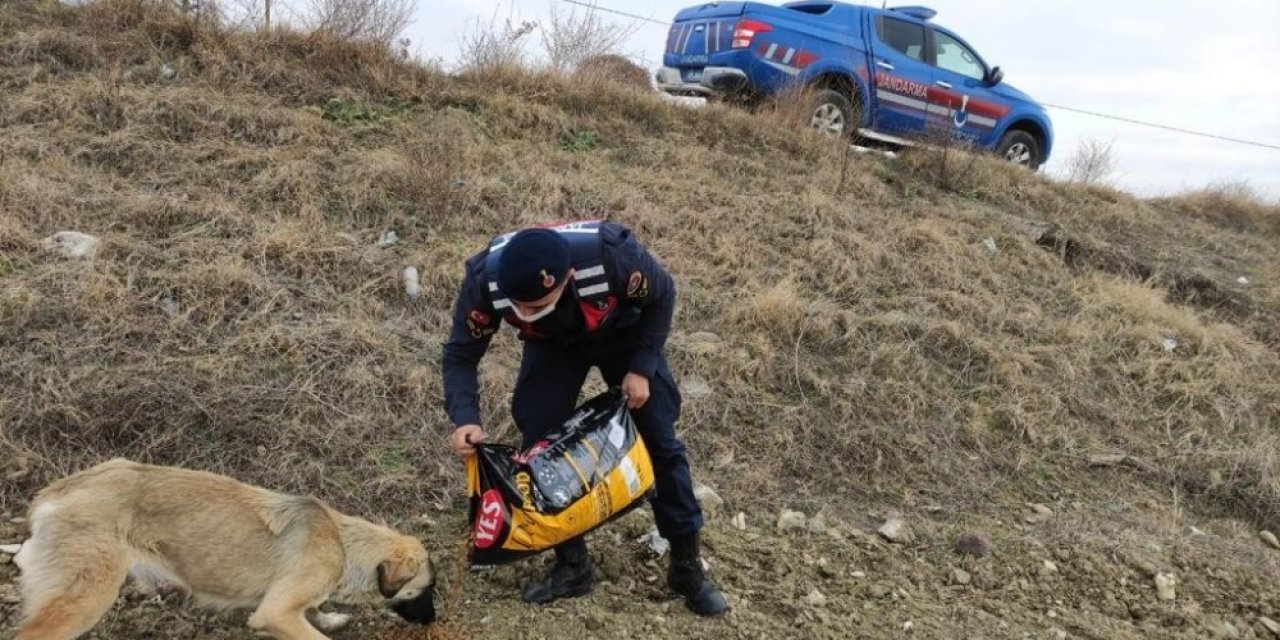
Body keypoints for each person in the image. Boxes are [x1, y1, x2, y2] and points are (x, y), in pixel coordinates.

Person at [441, 219, 728, 617]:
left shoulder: (612, 257)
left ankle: (686, 565)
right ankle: (573, 564)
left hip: (622, 331)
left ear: (568, 278)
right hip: (552, 345)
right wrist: (465, 417)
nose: (524, 313)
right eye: (517, 306)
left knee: (659, 438)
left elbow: (663, 296)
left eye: (535, 306)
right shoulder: (485, 280)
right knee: (540, 440)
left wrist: (643, 368)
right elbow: (460, 354)